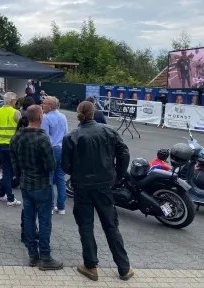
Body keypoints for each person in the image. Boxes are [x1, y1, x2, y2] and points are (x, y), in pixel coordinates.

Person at [62, 101, 133, 282]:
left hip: (82, 187)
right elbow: (124, 153)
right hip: (104, 186)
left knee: (86, 226)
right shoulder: (108, 131)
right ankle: (124, 267)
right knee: (111, 225)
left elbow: (65, 166)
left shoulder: (72, 136)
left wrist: (76, 173)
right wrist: (118, 175)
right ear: (93, 113)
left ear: (79, 114)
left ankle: (91, 265)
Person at [11, 105, 62, 270]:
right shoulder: (42, 138)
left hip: (25, 183)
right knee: (45, 221)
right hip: (42, 184)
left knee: (29, 219)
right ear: (40, 118)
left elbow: (14, 163)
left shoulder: (17, 137)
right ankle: (45, 257)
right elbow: (50, 165)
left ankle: (33, 255)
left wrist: (20, 177)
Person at [41, 96, 68, 215]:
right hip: (62, 148)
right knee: (60, 178)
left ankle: (50, 206)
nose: (42, 105)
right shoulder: (63, 116)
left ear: (50, 106)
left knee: (49, 178)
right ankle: (61, 207)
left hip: (51, 149)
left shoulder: (46, 118)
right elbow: (66, 133)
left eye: (44, 103)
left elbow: (44, 137)